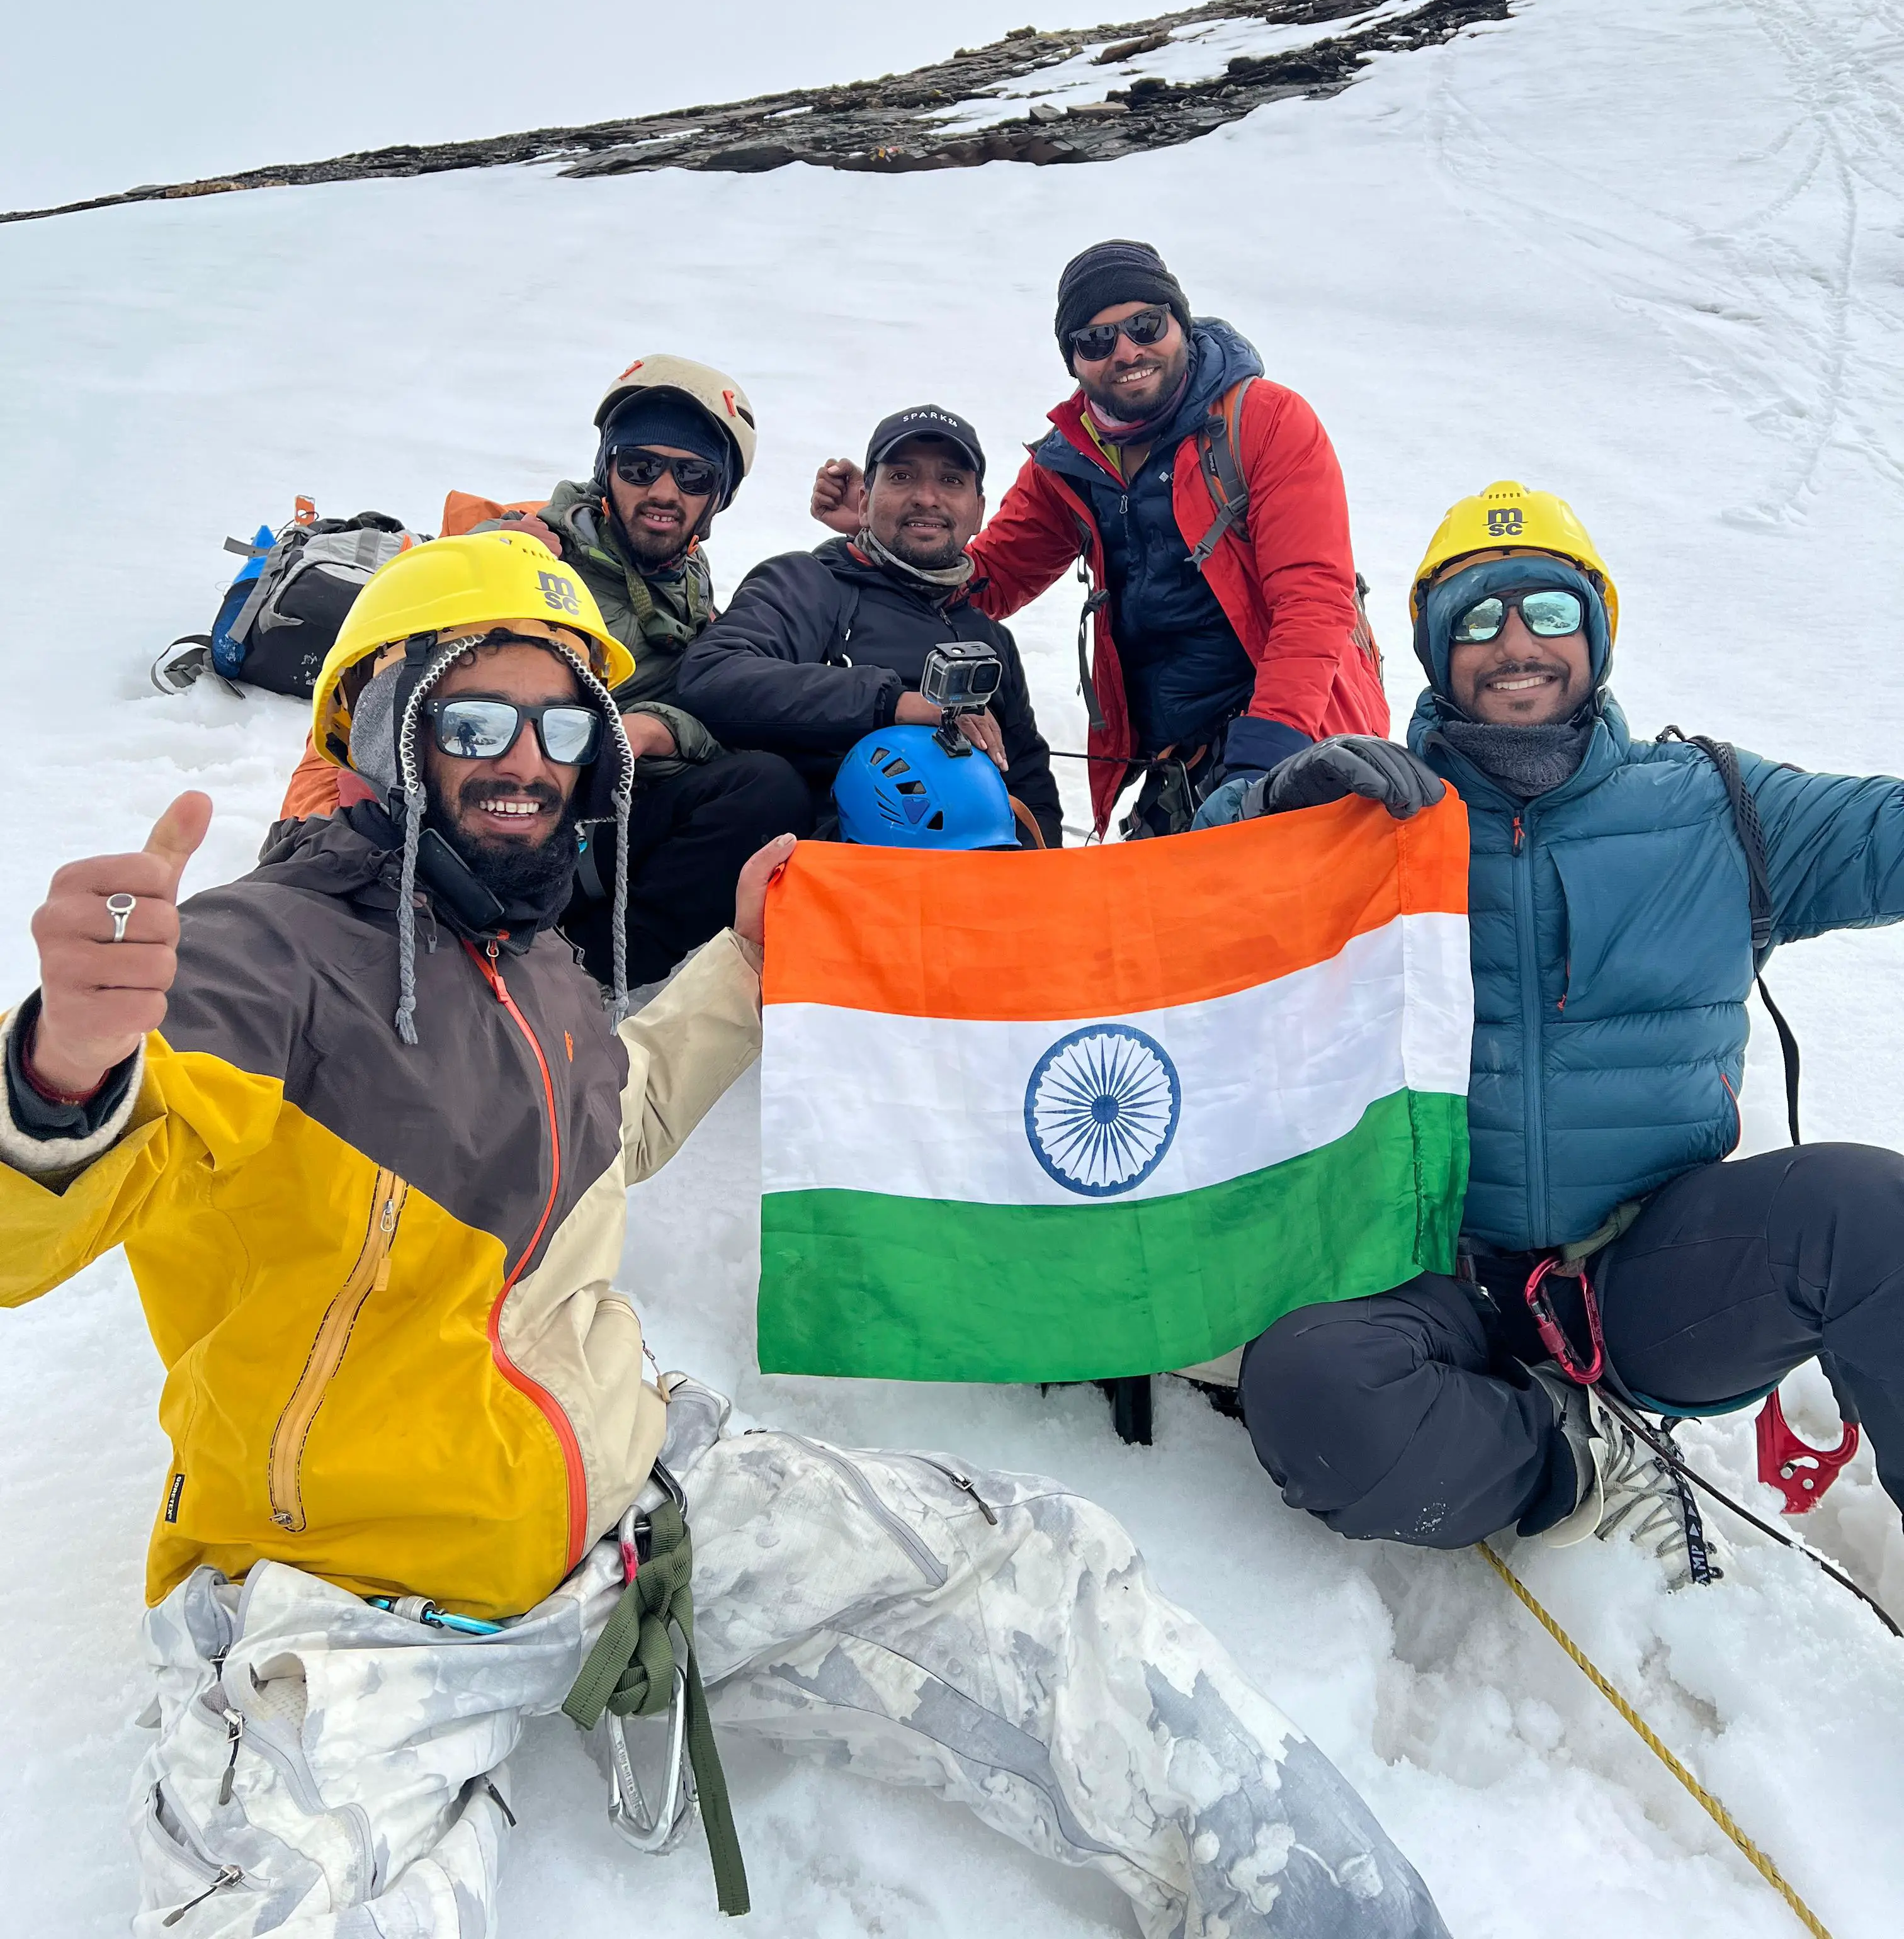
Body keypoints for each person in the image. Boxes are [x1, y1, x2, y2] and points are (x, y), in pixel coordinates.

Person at [1, 535, 1448, 1939]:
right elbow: (44, 1212)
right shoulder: (262, 956)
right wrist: (59, 1077)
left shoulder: (527, 945)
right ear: (389, 729)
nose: (526, 757)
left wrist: (749, 967)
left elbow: (605, 1130)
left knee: (1043, 1584)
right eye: (479, 716)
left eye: (563, 722)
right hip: (359, 1615)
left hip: (634, 1511)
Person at [1198, 478, 1904, 1582]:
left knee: (1870, 1214)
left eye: (1547, 611)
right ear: (1437, 647)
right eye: (1476, 619)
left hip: (1651, 1270)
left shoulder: (1711, 807)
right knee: (1307, 1392)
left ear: (1596, 630)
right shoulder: (1362, 816)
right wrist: (1264, 807)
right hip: (1424, 1268)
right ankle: (1555, 1458)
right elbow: (1168, 903)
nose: (1513, 644)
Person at [810, 242, 1387, 839]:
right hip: (1179, 763)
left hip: (1298, 735)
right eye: (1096, 340)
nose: (1127, 352)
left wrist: (1263, 761)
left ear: (1179, 324)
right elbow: (988, 581)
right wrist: (887, 528)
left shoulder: (1264, 421)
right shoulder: (1070, 462)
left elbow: (1314, 599)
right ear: (1073, 361)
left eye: (1145, 325)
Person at [280, 354, 809, 991]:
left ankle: (589, 978)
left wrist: (658, 729)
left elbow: (717, 711)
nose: (664, 493)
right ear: (607, 469)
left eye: (693, 476)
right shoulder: (525, 553)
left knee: (767, 784)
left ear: (717, 496)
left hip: (591, 812)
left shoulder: (690, 595)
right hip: (495, 801)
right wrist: (314, 846)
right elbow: (380, 709)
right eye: (641, 467)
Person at [678, 405, 1064, 844]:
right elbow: (712, 674)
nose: (926, 497)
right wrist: (892, 704)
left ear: (977, 513)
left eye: (951, 480)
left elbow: (1031, 784)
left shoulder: (989, 636)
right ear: (864, 502)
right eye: (901, 477)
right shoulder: (808, 584)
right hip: (831, 875)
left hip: (976, 887)